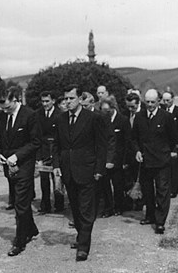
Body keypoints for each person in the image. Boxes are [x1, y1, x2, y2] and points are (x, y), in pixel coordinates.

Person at [52, 84, 107, 261]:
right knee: (75, 209)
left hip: (87, 170)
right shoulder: (60, 119)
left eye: (71, 98)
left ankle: (83, 246)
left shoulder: (92, 118)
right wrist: (56, 165)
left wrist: (99, 169)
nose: (68, 102)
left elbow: (101, 146)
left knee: (86, 210)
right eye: (66, 99)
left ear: (80, 99)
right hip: (68, 171)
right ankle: (81, 235)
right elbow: (57, 145)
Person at [0, 86, 41, 256]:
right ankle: (31, 229)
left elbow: (36, 142)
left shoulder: (30, 115)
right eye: (2, 108)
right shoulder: (1, 116)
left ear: (15, 100)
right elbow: (0, 138)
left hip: (24, 165)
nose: (5, 111)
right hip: (9, 165)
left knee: (20, 203)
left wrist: (17, 156)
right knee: (20, 200)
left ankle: (19, 241)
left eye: (8, 107)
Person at [132, 89, 177, 234]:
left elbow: (173, 138)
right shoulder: (139, 117)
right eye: (147, 102)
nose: (150, 105)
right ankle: (150, 215)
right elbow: (134, 138)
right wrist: (137, 151)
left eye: (153, 102)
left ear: (159, 101)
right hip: (145, 160)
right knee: (147, 190)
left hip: (162, 160)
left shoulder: (166, 117)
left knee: (162, 191)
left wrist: (166, 152)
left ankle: (160, 221)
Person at [100, 95, 132, 216]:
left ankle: (119, 206)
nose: (106, 113)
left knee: (118, 184)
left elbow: (127, 141)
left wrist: (125, 161)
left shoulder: (123, 120)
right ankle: (108, 208)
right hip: (105, 158)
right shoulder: (101, 120)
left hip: (118, 159)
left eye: (108, 111)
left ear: (113, 108)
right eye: (103, 111)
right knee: (105, 185)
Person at [36, 91, 64, 214]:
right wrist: (38, 156)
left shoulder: (60, 115)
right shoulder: (38, 115)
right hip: (43, 151)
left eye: (47, 101)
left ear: (53, 101)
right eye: (43, 101)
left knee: (57, 178)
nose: (45, 104)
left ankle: (59, 205)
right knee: (44, 180)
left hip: (56, 151)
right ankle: (45, 205)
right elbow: (36, 136)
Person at [162, 91, 178, 198]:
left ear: (173, 99)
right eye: (164, 100)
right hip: (164, 144)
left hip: (177, 144)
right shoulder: (161, 111)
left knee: (176, 168)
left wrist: (176, 140)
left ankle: (174, 189)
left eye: (168, 100)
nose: (166, 102)